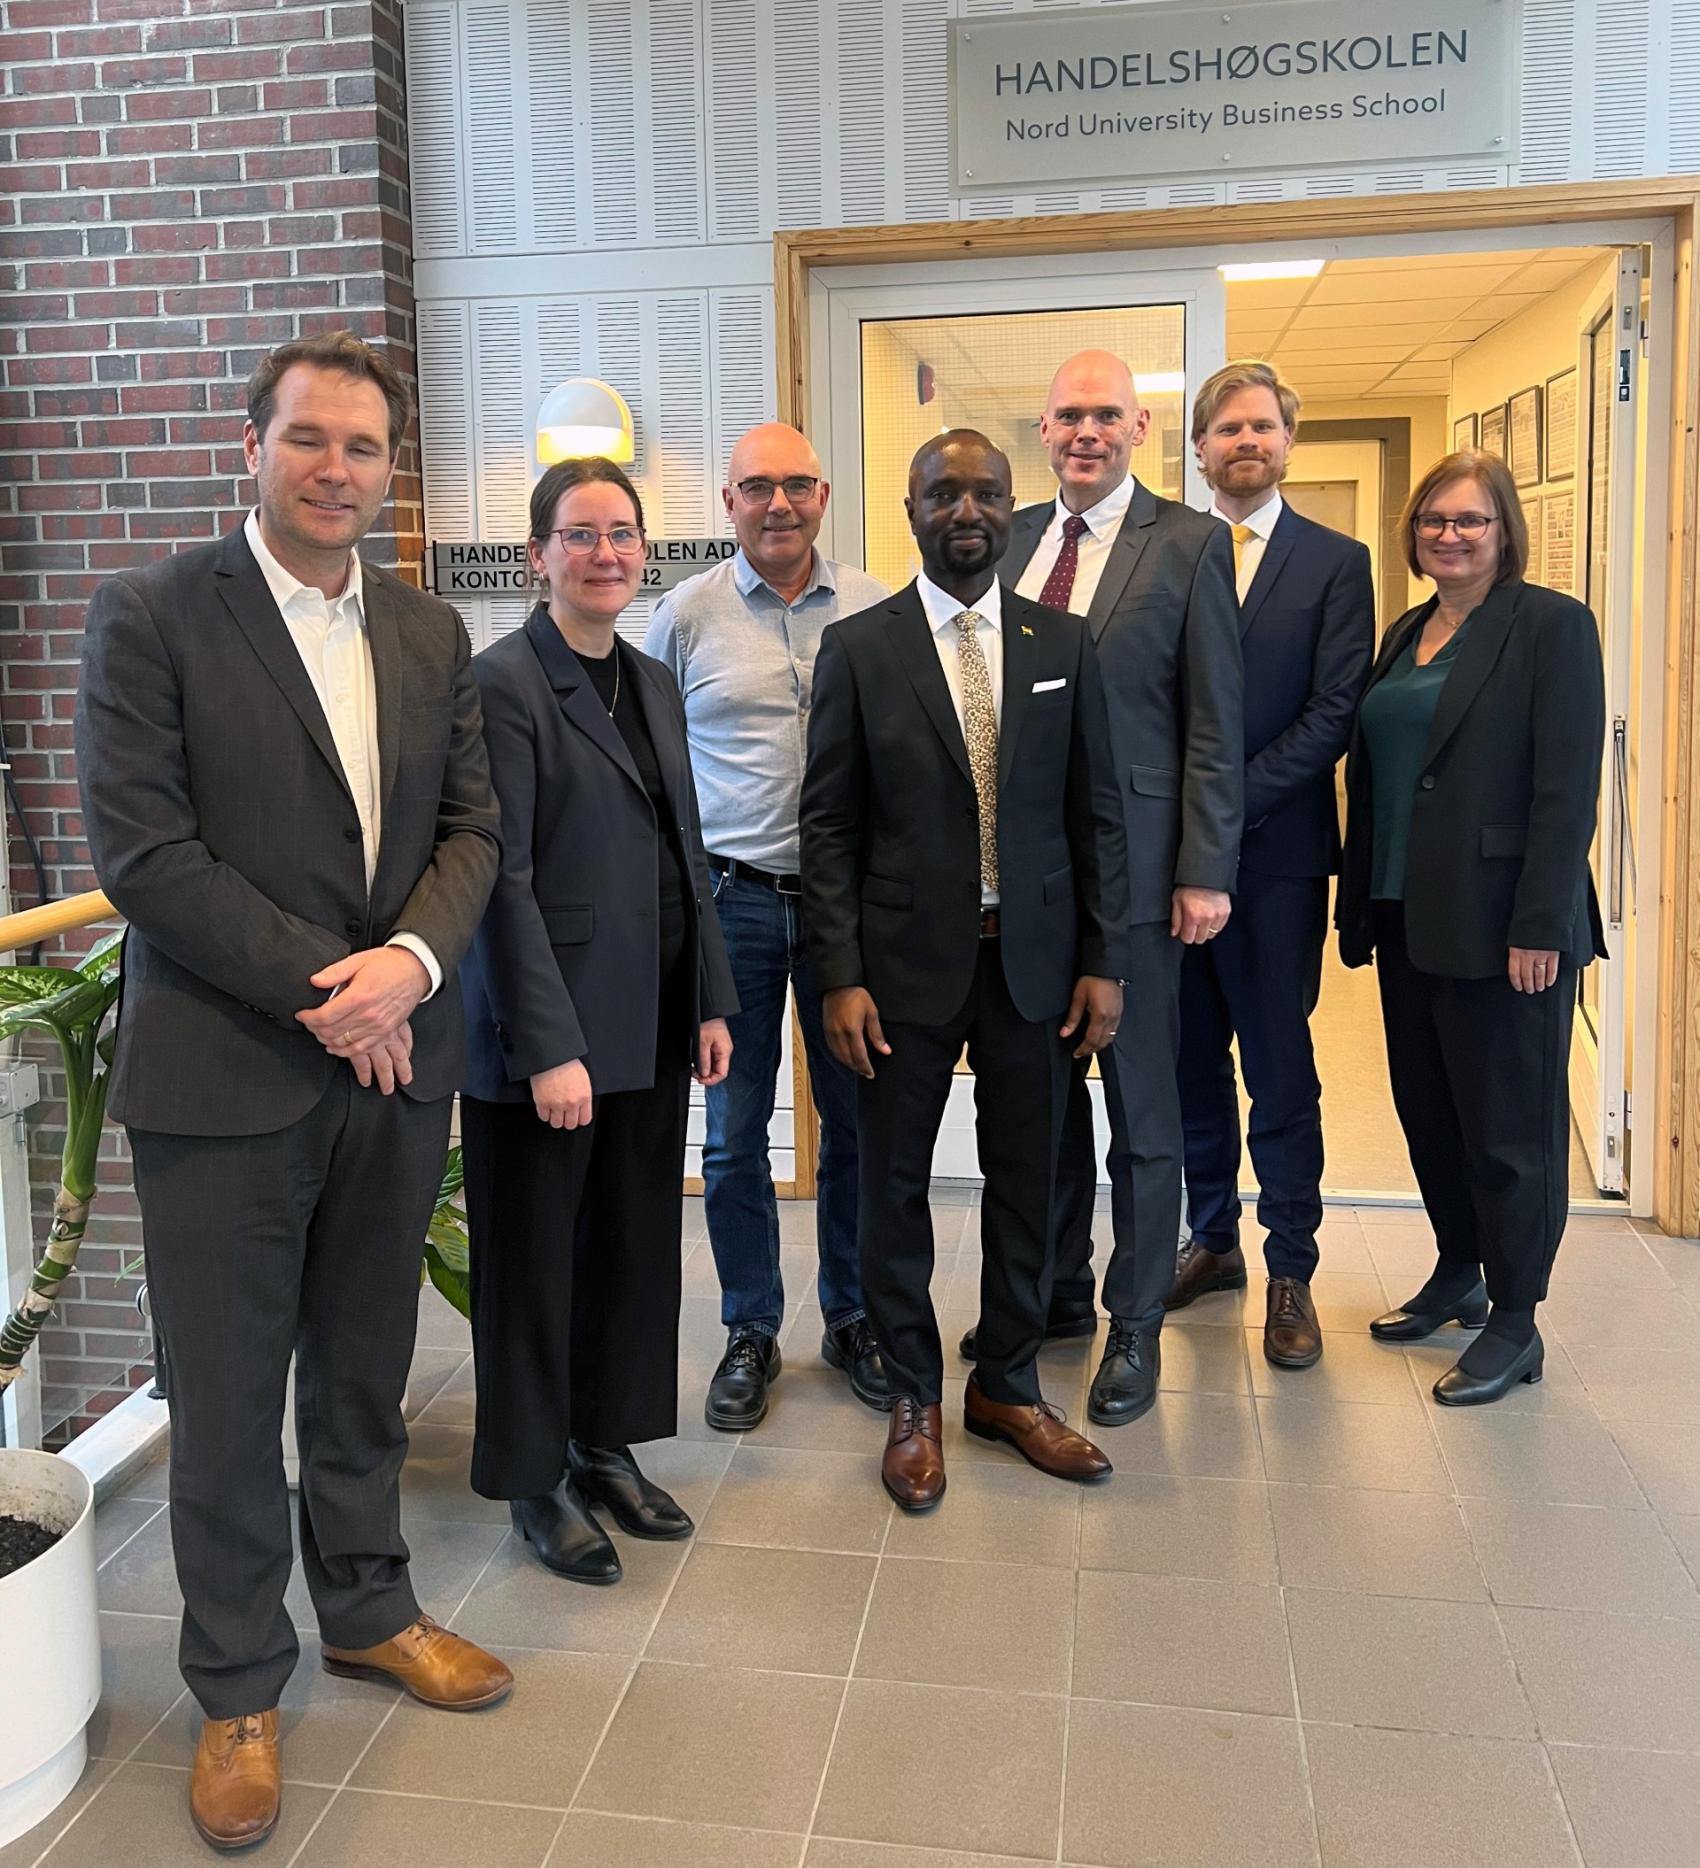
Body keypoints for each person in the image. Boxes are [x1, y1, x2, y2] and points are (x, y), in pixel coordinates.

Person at [75, 331, 510, 1851]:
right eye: (309, 439)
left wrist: (411, 965)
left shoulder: (429, 631)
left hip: (394, 1071)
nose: (337, 469)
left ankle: (369, 1610)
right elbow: (146, 857)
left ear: (392, 471)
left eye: (363, 447)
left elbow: (472, 831)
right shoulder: (150, 615)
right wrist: (344, 993)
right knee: (224, 1395)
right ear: (250, 447)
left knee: (362, 1371)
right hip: (226, 1075)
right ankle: (238, 1686)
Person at [800, 428, 1129, 1511]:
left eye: (986, 492)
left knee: (1031, 1178)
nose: (967, 511)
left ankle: (1006, 1382)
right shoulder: (860, 647)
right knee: (891, 1183)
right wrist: (838, 972)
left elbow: (1096, 813)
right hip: (898, 969)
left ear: (1010, 507)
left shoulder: (1061, 641)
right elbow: (828, 827)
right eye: (943, 493)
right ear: (912, 511)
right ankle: (913, 1395)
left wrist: (1103, 957)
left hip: (1035, 966)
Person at [460, 457, 738, 1580]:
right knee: (534, 1262)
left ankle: (604, 1444)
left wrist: (709, 996)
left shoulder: (651, 677)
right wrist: (549, 1046)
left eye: (622, 533)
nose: (605, 553)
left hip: (650, 1013)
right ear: (538, 555)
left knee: (629, 1246)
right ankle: (533, 1478)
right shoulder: (500, 683)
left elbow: (687, 853)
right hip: (548, 1035)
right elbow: (499, 879)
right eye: (579, 534)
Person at [962, 349, 1242, 1427]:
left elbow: (1214, 722)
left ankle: (1135, 1322)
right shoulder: (1014, 537)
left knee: (1141, 1110)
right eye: (1068, 414)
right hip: (1034, 881)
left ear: (1139, 429)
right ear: (1042, 429)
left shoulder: (1189, 543)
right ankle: (1057, 1290)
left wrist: (1203, 868)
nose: (1086, 431)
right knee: (1044, 1106)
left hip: (1140, 877)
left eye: (1106, 415)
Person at [1337, 449, 1606, 1405]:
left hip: (1504, 929)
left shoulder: (1551, 627)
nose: (1449, 535)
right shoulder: (1407, 630)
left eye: (1470, 520)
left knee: (1509, 1130)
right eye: (1433, 520)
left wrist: (1539, 924)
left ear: (1504, 532)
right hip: (1409, 915)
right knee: (1431, 1112)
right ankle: (1459, 1270)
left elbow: (1565, 790)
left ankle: (1516, 1318)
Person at [644, 424, 891, 1430]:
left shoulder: (875, 606)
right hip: (730, 903)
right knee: (734, 1135)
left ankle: (854, 1315)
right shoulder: (684, 615)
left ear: (823, 494)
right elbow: (650, 761)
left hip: (846, 909)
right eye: (756, 487)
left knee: (857, 1123)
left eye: (796, 484)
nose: (777, 504)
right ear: (729, 501)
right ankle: (750, 1327)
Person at [1173, 361, 1375, 1367]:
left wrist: (1217, 807)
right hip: (1174, 871)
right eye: (1227, 428)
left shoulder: (1335, 562)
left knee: (1279, 1069)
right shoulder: (1165, 551)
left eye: (1261, 426)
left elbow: (1333, 712)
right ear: (1199, 448)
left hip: (1277, 864)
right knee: (1189, 1063)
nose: (1245, 441)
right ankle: (1212, 1238)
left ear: (1287, 442)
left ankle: (1290, 1263)